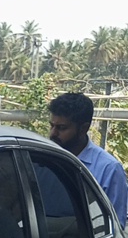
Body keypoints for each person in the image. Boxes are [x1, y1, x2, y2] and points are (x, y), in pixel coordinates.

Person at [48, 92, 127, 227]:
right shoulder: (44, 158)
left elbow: (115, 226)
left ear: (83, 129)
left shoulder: (108, 169)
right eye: (52, 126)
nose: (53, 133)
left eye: (61, 128)